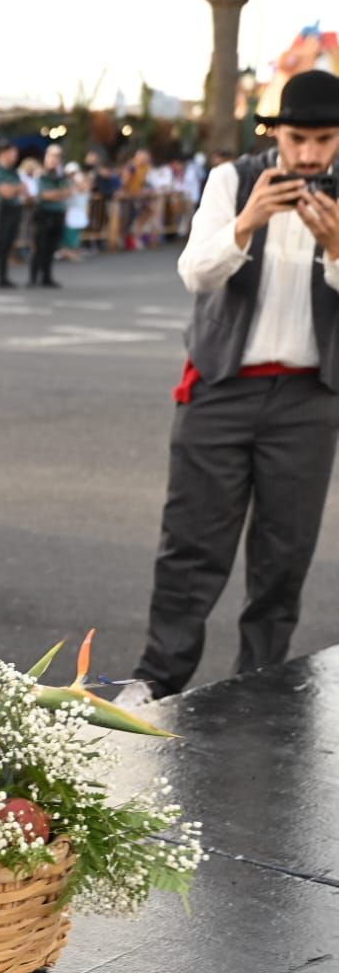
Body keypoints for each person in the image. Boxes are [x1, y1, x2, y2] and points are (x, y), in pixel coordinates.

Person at [127, 69, 339, 706]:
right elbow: (196, 271)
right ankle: (159, 675)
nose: (308, 154)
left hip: (310, 397)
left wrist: (335, 246)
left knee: (285, 550)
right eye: (298, 137)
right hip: (222, 386)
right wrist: (245, 223)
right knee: (191, 542)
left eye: (324, 140)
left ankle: (260, 680)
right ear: (277, 134)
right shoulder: (233, 179)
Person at [29, 144, 72, 287]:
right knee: (40, 247)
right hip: (43, 214)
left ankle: (47, 277)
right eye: (52, 156)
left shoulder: (61, 175)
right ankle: (33, 277)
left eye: (57, 157)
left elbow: (68, 192)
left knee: (51, 248)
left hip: (57, 214)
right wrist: (58, 193)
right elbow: (44, 195)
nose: (55, 160)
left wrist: (56, 194)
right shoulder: (40, 174)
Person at [0, 141, 25, 287]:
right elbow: (6, 193)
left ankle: (3, 276)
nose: (15, 156)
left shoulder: (13, 172)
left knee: (8, 244)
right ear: (3, 154)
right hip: (2, 210)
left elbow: (24, 190)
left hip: (14, 209)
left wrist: (15, 189)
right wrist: (17, 189)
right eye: (12, 153)